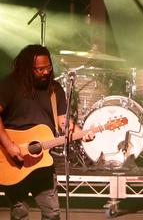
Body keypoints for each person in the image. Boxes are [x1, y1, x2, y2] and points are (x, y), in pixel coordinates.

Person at [0, 44, 93, 220]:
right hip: (13, 159)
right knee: (20, 213)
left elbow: (63, 121)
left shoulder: (54, 89)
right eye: (40, 69)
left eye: (48, 67)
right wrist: (9, 145)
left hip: (43, 163)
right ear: (27, 68)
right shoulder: (10, 84)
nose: (45, 72)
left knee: (52, 213)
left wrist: (80, 132)